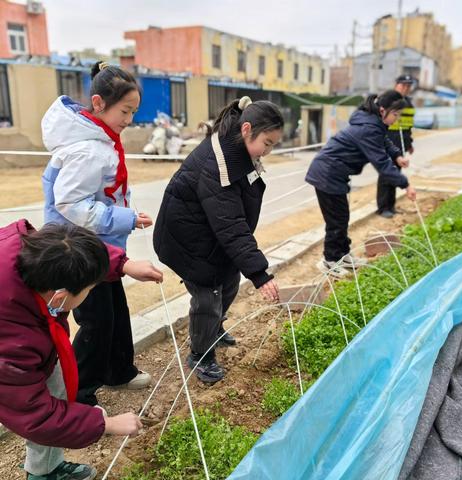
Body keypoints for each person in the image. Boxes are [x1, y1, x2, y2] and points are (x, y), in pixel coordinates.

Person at [0, 220, 163, 480]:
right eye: (90, 289)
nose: (91, 291)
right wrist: (106, 425)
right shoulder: (14, 344)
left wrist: (124, 264)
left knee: (56, 386)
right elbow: (35, 413)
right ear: (59, 298)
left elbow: (72, 248)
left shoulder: (31, 248)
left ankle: (47, 469)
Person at [41, 61, 154, 406]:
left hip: (101, 246)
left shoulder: (99, 139)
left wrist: (124, 219)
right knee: (95, 322)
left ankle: (119, 369)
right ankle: (79, 392)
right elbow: (71, 205)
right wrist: (125, 218)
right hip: (80, 248)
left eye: (134, 111)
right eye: (125, 110)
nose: (129, 119)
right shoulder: (87, 148)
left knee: (115, 311)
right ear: (99, 102)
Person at [153, 96, 283, 384]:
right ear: (247, 128)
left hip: (211, 233)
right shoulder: (217, 164)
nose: (269, 151)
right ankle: (200, 354)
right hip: (188, 239)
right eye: (268, 143)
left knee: (229, 284)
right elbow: (231, 224)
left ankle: (214, 329)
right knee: (207, 298)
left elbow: (231, 221)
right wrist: (260, 273)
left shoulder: (237, 147)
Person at [306, 90, 417, 278]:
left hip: (334, 173)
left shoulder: (373, 123)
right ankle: (330, 261)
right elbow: (381, 163)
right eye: (395, 115)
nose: (396, 119)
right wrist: (405, 184)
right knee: (336, 220)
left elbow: (385, 141)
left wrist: (397, 155)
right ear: (383, 110)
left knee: (342, 217)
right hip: (327, 173)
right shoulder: (368, 128)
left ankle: (343, 255)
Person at [377, 74, 416, 218]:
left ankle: (391, 206)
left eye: (408, 86)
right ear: (396, 85)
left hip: (400, 145)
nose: (406, 88)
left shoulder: (409, 104)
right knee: (386, 174)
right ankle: (382, 207)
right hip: (388, 142)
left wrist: (409, 143)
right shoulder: (387, 100)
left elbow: (408, 127)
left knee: (395, 174)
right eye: (403, 85)